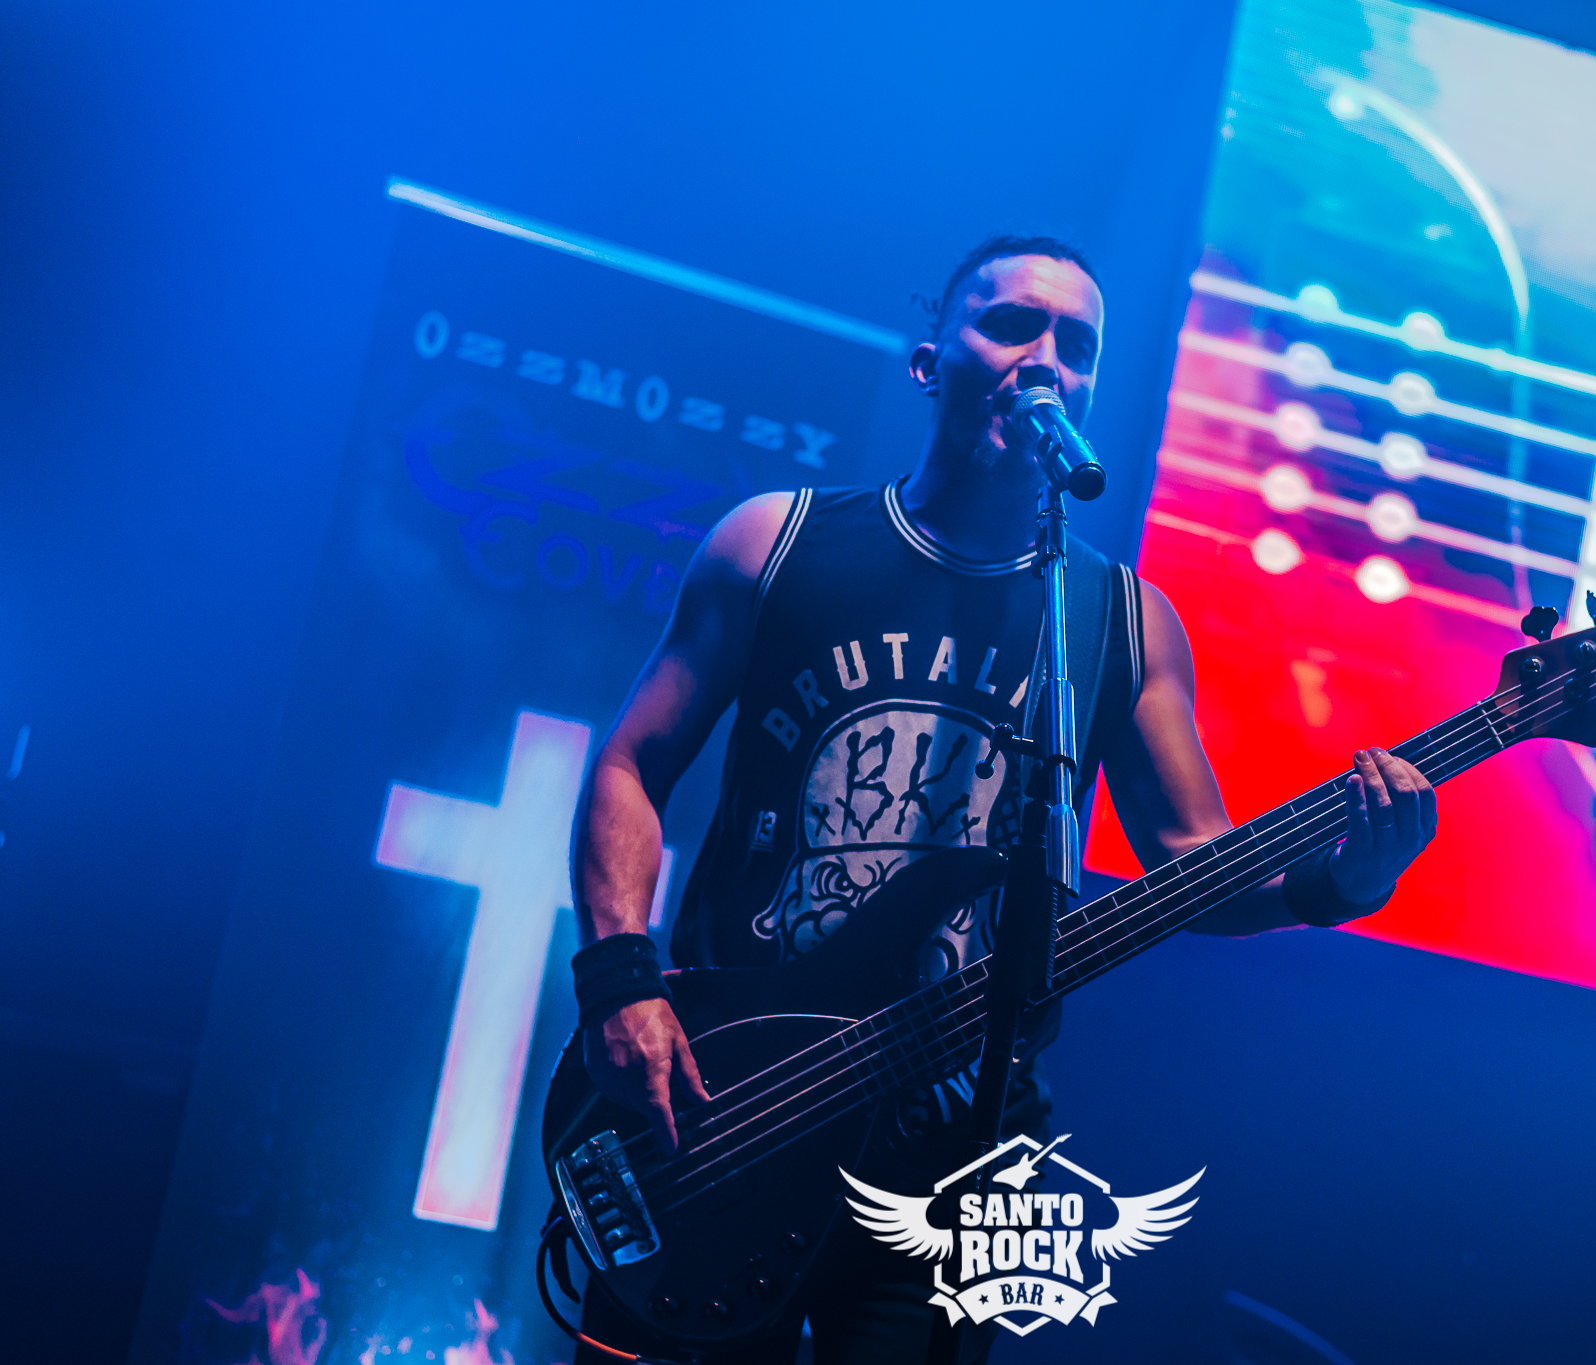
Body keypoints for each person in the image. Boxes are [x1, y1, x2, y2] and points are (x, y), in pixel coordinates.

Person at [566, 235, 1439, 1363]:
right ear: (929, 359)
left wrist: (1340, 884)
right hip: (734, 1095)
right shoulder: (777, 544)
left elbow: (1198, 863)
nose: (1045, 361)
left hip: (956, 1156)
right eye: (1011, 325)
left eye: (1077, 346)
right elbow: (630, 766)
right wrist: (619, 983)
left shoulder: (1122, 622)